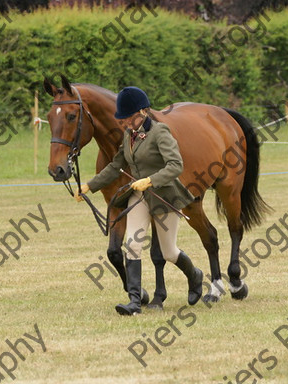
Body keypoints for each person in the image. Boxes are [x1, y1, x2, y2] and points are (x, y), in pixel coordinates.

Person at [75, 86, 203, 316]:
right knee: (132, 245)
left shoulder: (160, 132)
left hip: (163, 196)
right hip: (139, 196)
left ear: (142, 112)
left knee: (169, 252)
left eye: (128, 119)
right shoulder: (129, 136)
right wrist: (90, 185)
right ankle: (134, 301)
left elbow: (176, 165)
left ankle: (195, 275)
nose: (124, 124)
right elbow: (116, 165)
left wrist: (150, 180)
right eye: (122, 120)